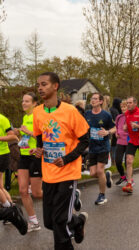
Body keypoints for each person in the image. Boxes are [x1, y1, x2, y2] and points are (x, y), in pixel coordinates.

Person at [32, 72, 89, 249]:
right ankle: (77, 222)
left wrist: (66, 159)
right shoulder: (37, 112)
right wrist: (39, 149)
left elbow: (85, 140)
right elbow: (40, 136)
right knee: (50, 222)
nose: (40, 88)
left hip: (68, 172)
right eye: (38, 85)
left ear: (55, 86)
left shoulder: (70, 111)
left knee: (59, 222)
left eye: (44, 84)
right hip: (49, 174)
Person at [15, 92, 43, 232]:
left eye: (27, 101)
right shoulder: (25, 117)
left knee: (37, 193)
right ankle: (33, 222)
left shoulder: (38, 116)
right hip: (24, 155)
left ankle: (66, 197)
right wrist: (20, 135)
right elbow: (26, 135)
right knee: (23, 190)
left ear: (34, 103)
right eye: (23, 101)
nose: (23, 103)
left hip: (36, 156)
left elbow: (44, 135)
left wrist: (28, 131)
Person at [85, 93, 115, 205]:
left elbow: (114, 128)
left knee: (99, 170)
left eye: (95, 99)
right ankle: (106, 177)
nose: (93, 100)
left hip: (103, 147)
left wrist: (107, 132)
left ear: (101, 101)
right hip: (92, 147)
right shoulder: (87, 114)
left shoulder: (106, 115)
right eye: (92, 98)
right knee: (92, 173)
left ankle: (102, 195)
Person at [114, 100, 129, 186]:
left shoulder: (130, 116)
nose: (123, 108)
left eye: (125, 107)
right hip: (120, 141)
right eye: (122, 107)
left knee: (128, 162)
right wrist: (116, 133)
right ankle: (123, 177)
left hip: (128, 141)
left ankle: (129, 179)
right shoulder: (119, 117)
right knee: (118, 160)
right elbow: (116, 127)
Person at [109, 98, 122, 165]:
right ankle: (114, 160)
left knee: (112, 146)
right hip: (115, 130)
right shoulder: (116, 111)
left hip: (110, 129)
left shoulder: (110, 109)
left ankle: (112, 160)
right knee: (115, 146)